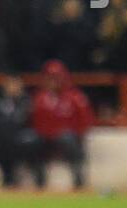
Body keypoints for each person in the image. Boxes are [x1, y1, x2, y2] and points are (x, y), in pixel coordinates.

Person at [32, 60, 94, 188]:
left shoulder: (75, 97)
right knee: (31, 140)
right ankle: (39, 179)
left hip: (69, 139)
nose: (52, 81)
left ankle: (78, 177)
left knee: (67, 139)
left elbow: (85, 121)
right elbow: (35, 122)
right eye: (50, 78)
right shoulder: (41, 97)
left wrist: (76, 135)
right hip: (47, 139)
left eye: (56, 78)